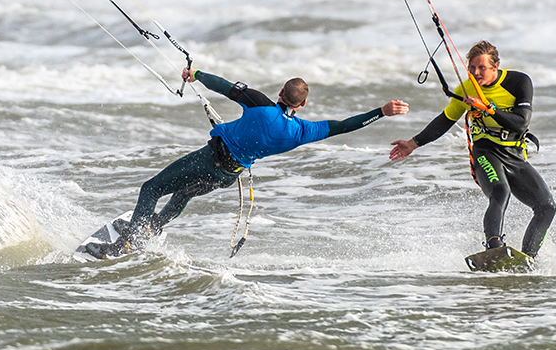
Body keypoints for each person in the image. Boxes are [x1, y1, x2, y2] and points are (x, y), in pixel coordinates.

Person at [85, 67, 408, 258]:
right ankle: (150, 228)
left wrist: (195, 74)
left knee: (151, 189)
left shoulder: (259, 103)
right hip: (228, 175)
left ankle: (128, 243)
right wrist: (380, 112)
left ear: (281, 92)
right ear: (303, 103)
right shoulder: (302, 131)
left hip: (209, 159)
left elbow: (224, 87)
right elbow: (343, 125)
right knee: (181, 196)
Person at [389, 41, 556, 258]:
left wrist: (487, 108)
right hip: (485, 152)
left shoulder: (519, 82)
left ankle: (528, 258)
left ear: (495, 67)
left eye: (482, 68)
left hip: (515, 155)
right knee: (500, 191)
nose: (476, 73)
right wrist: (413, 144)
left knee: (547, 207)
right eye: (472, 68)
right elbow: (444, 120)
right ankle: (494, 247)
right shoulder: (465, 89)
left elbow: (521, 123)